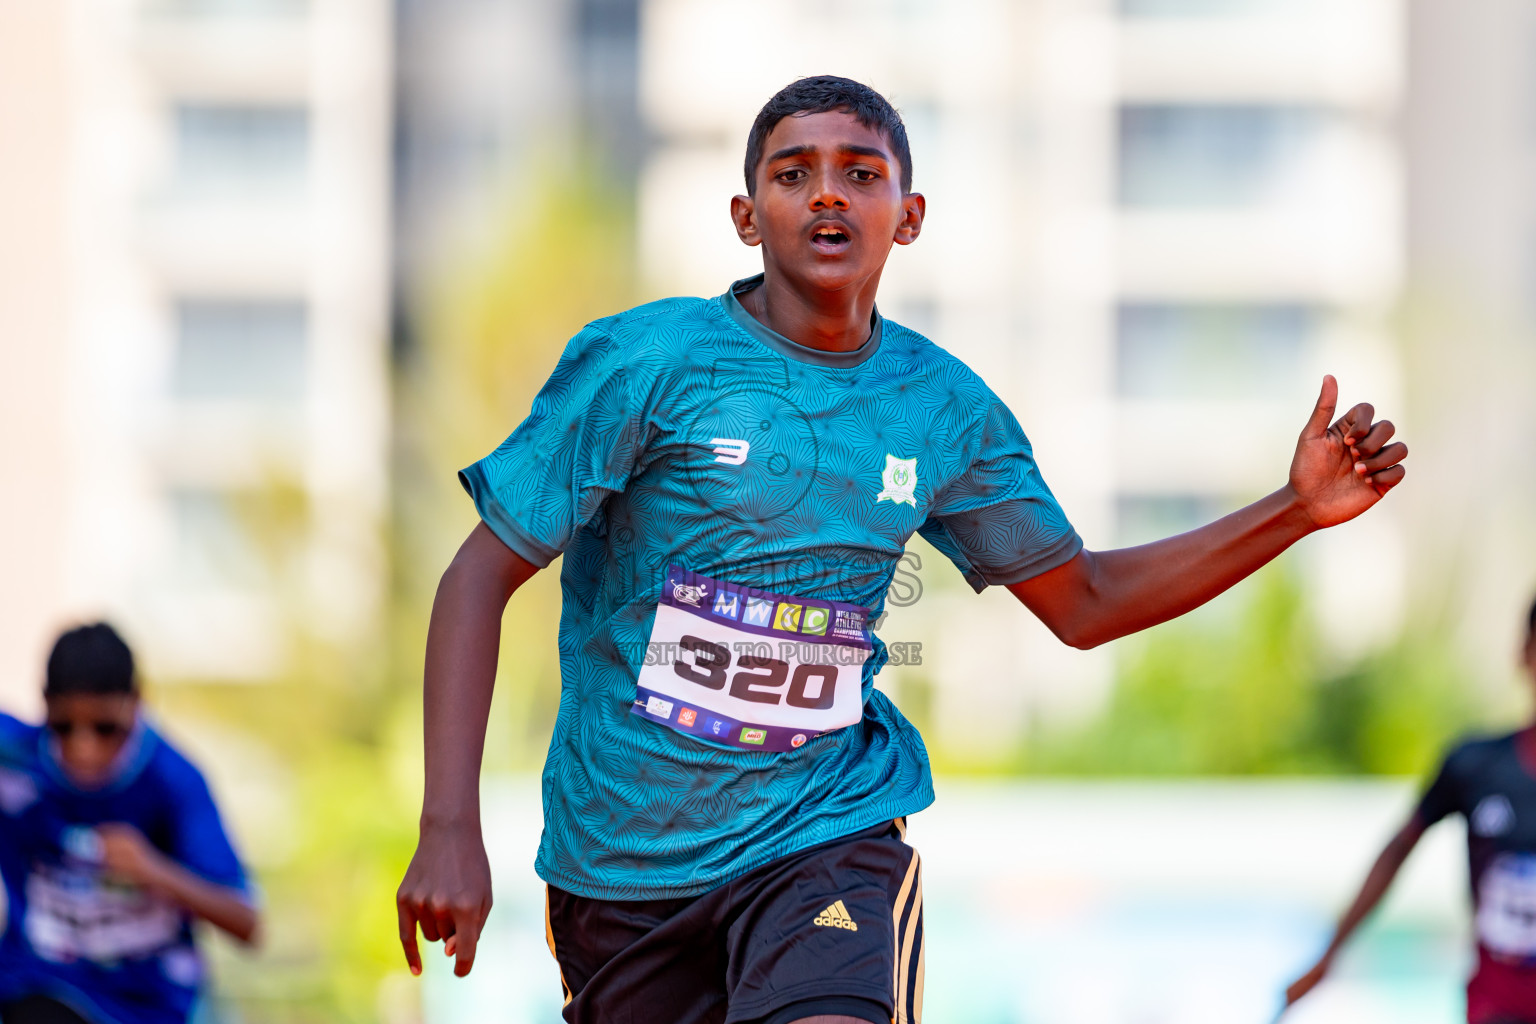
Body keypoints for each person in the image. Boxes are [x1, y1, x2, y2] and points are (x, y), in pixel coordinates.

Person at [395, 75, 1409, 1024]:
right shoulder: (646, 364)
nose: (827, 196)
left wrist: (1295, 509)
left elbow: (1086, 599)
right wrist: (449, 825)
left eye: (860, 173)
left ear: (908, 216)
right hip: (624, 869)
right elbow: (479, 574)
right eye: (793, 173)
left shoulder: (944, 410)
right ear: (747, 217)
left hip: (824, 835)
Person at [1285, 598, 1536, 1023]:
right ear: (1524, 653)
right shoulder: (1476, 766)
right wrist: (1329, 956)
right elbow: (1397, 849)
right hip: (1498, 1009)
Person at [0, 623, 259, 1024]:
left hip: (146, 1004)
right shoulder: (15, 758)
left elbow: (248, 923)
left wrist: (154, 870)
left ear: (136, 702)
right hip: (38, 989)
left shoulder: (173, 781)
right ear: (45, 703)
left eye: (105, 728)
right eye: (64, 726)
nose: (83, 748)